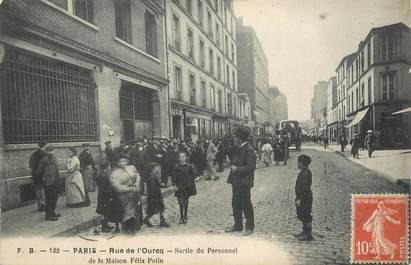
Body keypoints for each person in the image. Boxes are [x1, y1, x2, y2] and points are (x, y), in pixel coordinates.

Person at [225, 127, 256, 236]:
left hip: (244, 182)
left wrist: (236, 169)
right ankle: (238, 225)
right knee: (236, 204)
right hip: (236, 181)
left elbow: (250, 167)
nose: (234, 138)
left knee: (246, 204)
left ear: (240, 138)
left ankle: (249, 227)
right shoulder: (239, 148)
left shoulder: (249, 150)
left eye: (236, 136)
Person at [109, 153, 142, 234]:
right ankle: (127, 230)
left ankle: (136, 224)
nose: (122, 163)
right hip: (123, 196)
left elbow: (138, 176)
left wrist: (137, 183)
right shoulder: (115, 173)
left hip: (134, 193)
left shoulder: (131, 168)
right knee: (126, 213)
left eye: (124, 161)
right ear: (117, 162)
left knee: (136, 209)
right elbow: (116, 186)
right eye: (120, 161)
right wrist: (128, 188)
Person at [37, 146, 61, 221]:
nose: (51, 152)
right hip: (48, 182)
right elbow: (39, 171)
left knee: (55, 197)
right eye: (49, 151)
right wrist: (45, 176)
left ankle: (53, 212)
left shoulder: (54, 158)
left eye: (53, 151)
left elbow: (56, 168)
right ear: (46, 151)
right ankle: (48, 215)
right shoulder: (44, 159)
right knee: (49, 198)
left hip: (56, 180)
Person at [143, 162, 170, 228]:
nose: (158, 171)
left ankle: (162, 221)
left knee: (161, 209)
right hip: (153, 197)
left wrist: (161, 185)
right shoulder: (150, 179)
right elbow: (151, 188)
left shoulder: (155, 177)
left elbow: (157, 184)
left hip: (157, 195)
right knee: (152, 211)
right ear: (152, 170)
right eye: (157, 170)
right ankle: (146, 219)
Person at [294, 154, 313, 241]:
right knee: (303, 215)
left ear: (302, 163)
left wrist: (299, 199)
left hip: (305, 198)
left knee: (306, 216)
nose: (297, 164)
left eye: (298, 162)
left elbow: (304, 188)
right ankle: (304, 231)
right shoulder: (304, 171)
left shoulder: (305, 173)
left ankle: (308, 234)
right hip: (305, 197)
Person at [173, 152, 197, 224]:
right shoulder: (176, 167)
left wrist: (194, 170)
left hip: (187, 187)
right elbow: (174, 177)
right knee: (180, 202)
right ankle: (181, 217)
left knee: (186, 202)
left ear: (185, 158)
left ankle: (185, 216)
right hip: (179, 187)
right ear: (178, 158)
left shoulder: (189, 166)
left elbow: (194, 176)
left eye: (183, 157)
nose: (182, 158)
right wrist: (175, 185)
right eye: (180, 157)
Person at [96, 160, 119, 233]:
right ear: (107, 167)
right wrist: (110, 196)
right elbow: (107, 188)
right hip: (105, 196)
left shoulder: (101, 174)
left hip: (101, 195)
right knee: (104, 211)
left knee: (104, 211)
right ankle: (104, 227)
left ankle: (105, 225)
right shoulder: (105, 176)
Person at [29, 141, 48, 211]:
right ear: (45, 146)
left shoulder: (34, 154)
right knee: (44, 189)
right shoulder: (45, 154)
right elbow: (46, 166)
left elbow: (30, 165)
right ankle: (44, 204)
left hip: (35, 174)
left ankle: (39, 205)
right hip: (42, 174)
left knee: (38, 189)